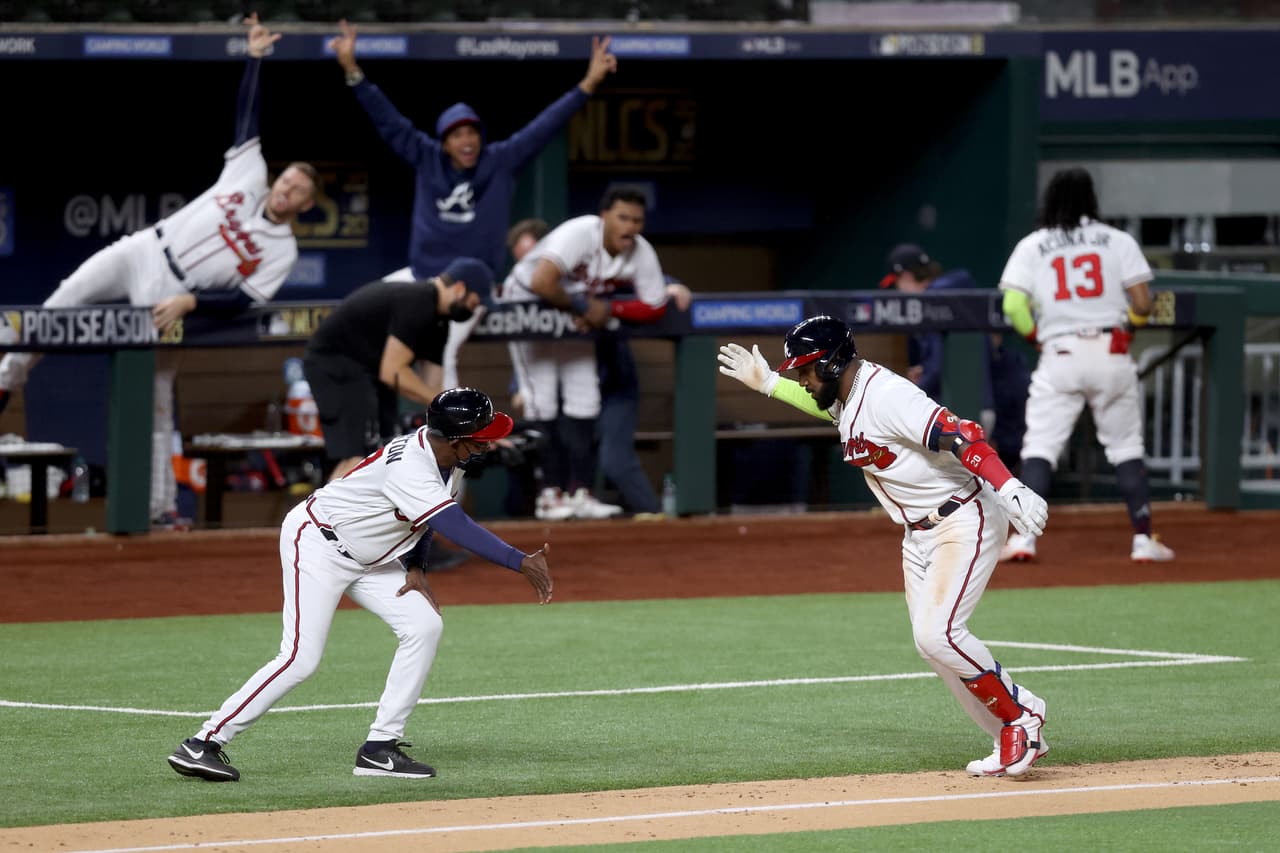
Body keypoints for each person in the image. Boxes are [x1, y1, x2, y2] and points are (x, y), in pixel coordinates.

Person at [0, 14, 319, 530]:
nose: (286, 190)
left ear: (306, 204)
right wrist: (255, 59)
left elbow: (243, 302)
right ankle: (6, 380)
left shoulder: (282, 249)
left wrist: (193, 303)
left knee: (157, 401)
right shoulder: (249, 174)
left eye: (299, 190)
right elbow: (247, 118)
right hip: (147, 248)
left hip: (175, 296)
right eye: (287, 180)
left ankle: (160, 507)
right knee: (62, 300)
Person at [718, 315, 1052, 777]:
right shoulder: (845, 393)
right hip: (918, 534)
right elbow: (828, 409)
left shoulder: (888, 395)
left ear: (834, 364)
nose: (804, 379)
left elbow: (960, 435)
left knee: (939, 635)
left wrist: (1010, 485)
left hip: (963, 516)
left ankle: (1023, 716)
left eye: (806, 370)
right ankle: (1006, 737)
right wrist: (771, 384)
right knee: (932, 646)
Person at [166, 387, 552, 782]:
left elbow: (427, 518)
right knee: (300, 657)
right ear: (456, 441)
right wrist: (519, 561)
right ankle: (203, 743)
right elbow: (454, 524)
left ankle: (379, 748)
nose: (489, 445)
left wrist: (417, 566)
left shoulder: (447, 459)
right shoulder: (412, 466)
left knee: (423, 625)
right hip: (318, 544)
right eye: (482, 438)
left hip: (371, 558)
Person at [328, 21, 617, 282]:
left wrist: (588, 83)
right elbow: (389, 121)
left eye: (472, 132)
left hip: (473, 284)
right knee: (371, 311)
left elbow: (545, 125)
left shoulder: (501, 160)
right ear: (445, 143)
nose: (467, 140)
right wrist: (352, 70)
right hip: (423, 276)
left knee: (441, 340)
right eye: (456, 134)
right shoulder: (428, 157)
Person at [997, 167, 1176, 564]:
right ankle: (1143, 540)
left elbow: (1012, 306)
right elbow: (1144, 303)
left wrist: (1035, 336)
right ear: (1092, 200)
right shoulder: (1117, 240)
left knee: (1040, 447)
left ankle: (1025, 538)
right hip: (1111, 350)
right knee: (1126, 447)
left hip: (1060, 353)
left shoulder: (1034, 244)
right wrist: (1131, 326)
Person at [498, 186, 670, 521]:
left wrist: (608, 307)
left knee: (585, 398)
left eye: (636, 220)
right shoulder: (579, 232)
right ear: (604, 216)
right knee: (541, 398)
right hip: (527, 302)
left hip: (571, 307)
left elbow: (655, 304)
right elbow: (541, 282)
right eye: (622, 217)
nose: (630, 226)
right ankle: (549, 495)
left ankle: (581, 493)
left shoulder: (640, 251)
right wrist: (583, 306)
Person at [303, 257, 494, 483]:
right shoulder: (419, 300)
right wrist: (448, 409)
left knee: (383, 450)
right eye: (474, 303)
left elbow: (435, 390)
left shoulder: (441, 323)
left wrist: (471, 428)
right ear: (460, 289)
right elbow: (393, 372)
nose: (474, 310)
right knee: (357, 457)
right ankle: (319, 517)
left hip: (369, 372)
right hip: (336, 363)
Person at [879, 243, 1030, 469]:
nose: (899, 291)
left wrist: (912, 390)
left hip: (953, 415)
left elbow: (938, 367)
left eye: (898, 283)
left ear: (908, 276)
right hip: (986, 406)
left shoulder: (932, 304)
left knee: (958, 485)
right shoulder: (963, 294)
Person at [596, 273, 692, 516]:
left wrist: (668, 284)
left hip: (613, 384)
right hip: (561, 394)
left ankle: (651, 511)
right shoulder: (535, 283)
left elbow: (634, 272)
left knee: (614, 460)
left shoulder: (593, 264)